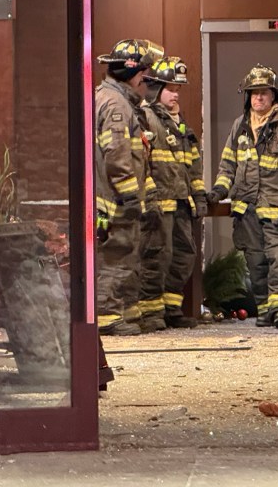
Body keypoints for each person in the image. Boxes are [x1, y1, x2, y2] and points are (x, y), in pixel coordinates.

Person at [207, 65, 278, 329]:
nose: (258, 98)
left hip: (277, 208)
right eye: (254, 93)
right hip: (246, 208)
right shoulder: (239, 127)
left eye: (264, 93)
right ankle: (264, 310)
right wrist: (219, 190)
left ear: (274, 96)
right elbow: (227, 165)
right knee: (256, 262)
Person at [94, 38, 164, 338]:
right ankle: (108, 315)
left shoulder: (113, 99)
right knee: (118, 254)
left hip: (118, 196)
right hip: (116, 199)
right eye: (145, 75)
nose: (147, 82)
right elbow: (117, 154)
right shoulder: (116, 105)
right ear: (132, 74)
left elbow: (137, 155)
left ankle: (127, 310)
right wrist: (129, 194)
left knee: (127, 254)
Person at [139, 56, 207, 330]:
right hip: (159, 204)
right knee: (157, 256)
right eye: (171, 88)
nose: (176, 94)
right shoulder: (145, 118)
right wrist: (149, 198)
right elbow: (140, 163)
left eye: (178, 89)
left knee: (183, 255)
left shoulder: (179, 123)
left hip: (181, 202)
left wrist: (199, 196)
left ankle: (170, 308)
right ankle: (151, 313)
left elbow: (193, 164)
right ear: (155, 89)